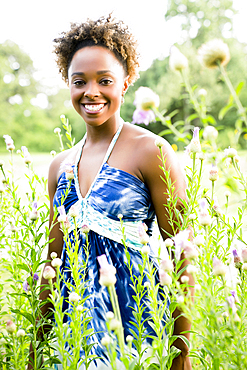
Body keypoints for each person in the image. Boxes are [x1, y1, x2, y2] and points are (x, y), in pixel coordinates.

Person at [29, 14, 193, 370]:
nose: (91, 92)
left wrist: (182, 353)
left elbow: (180, 252)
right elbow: (52, 263)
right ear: (68, 84)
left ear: (125, 82)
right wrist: (36, 349)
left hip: (136, 335)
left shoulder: (151, 150)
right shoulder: (60, 166)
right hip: (74, 340)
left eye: (105, 80)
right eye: (79, 81)